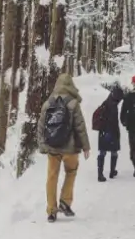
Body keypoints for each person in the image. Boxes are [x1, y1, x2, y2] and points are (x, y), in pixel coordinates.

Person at [37, 71, 91, 223]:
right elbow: (80, 126)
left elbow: (41, 126)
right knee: (71, 172)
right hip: (70, 148)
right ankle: (65, 202)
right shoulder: (73, 103)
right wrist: (86, 146)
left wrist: (42, 145)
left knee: (52, 177)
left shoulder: (48, 103)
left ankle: (51, 210)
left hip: (53, 147)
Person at [92, 82, 124, 182]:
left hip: (103, 131)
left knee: (102, 152)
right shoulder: (113, 106)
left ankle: (100, 173)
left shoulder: (106, 101)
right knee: (113, 152)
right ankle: (111, 171)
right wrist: (116, 134)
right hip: (110, 132)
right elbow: (113, 122)